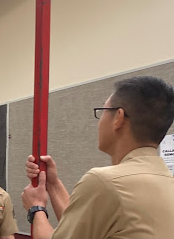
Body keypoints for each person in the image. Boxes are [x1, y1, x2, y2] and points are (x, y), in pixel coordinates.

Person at [22, 76, 174, 239]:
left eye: (103, 111)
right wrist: (52, 184)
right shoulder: (166, 180)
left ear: (118, 118)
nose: (99, 122)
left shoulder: (105, 182)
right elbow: (79, 225)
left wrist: (36, 208)